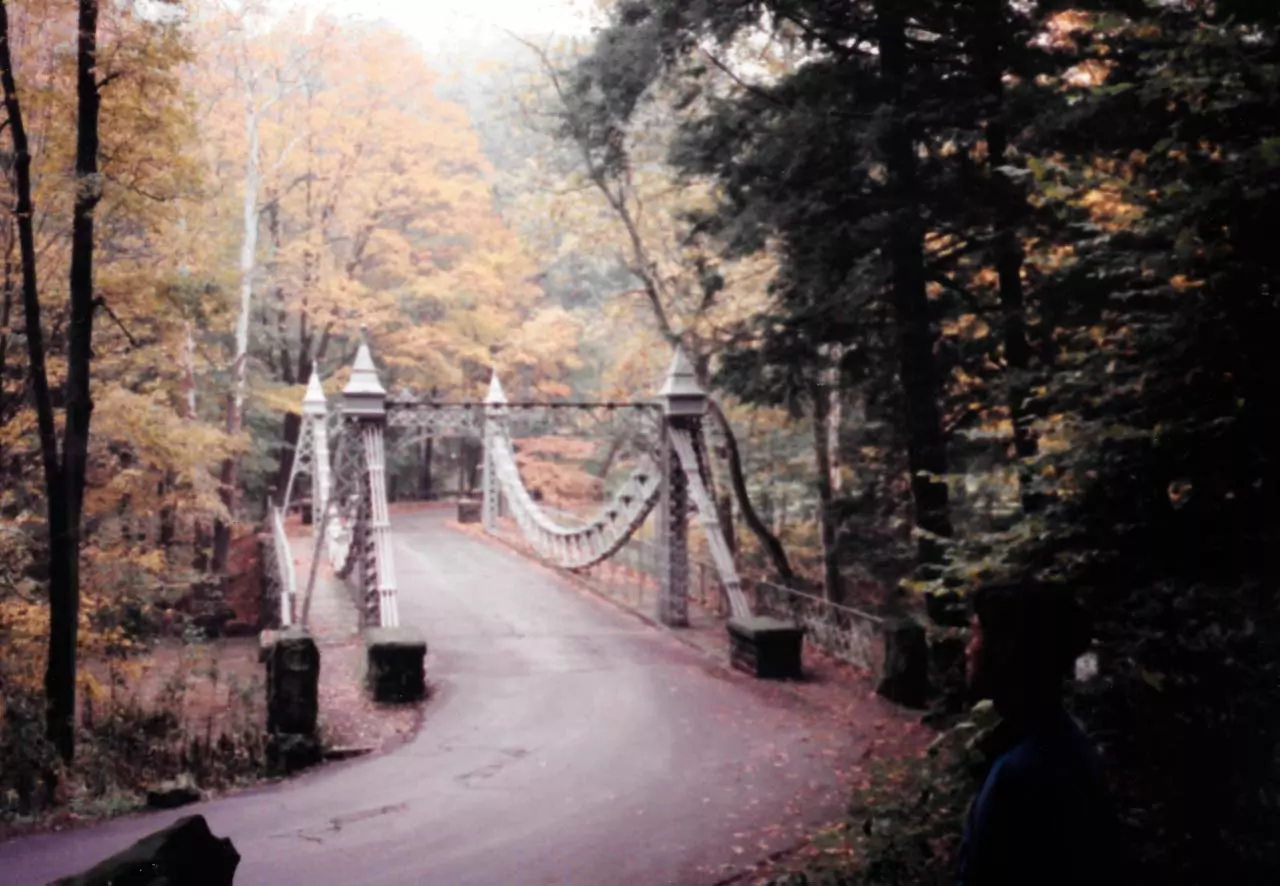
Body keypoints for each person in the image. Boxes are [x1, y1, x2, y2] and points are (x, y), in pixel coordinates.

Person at [956, 581, 1120, 886]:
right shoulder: (1056, 738)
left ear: (1006, 649)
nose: (968, 649)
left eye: (977, 633)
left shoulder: (1026, 772)